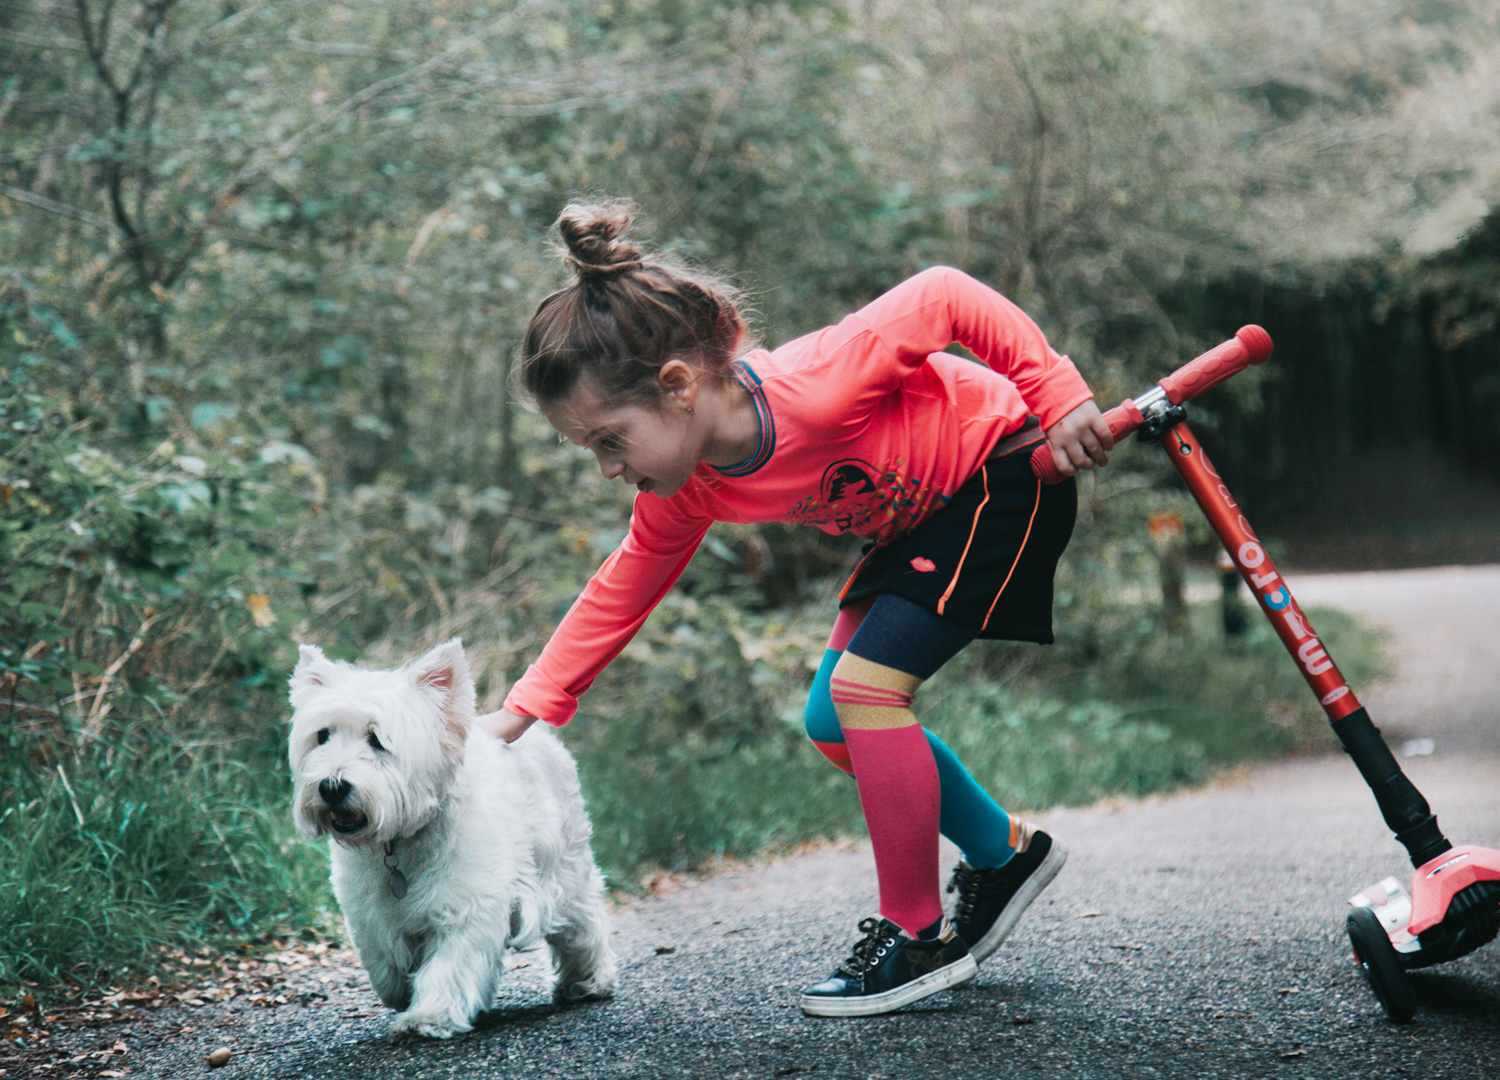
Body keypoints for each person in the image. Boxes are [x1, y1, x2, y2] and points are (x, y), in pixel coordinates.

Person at [483, 200, 1113, 1017]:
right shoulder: (690, 488)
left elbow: (947, 293)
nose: (607, 467)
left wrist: (1058, 395)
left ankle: (916, 934)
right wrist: (525, 707)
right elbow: (626, 581)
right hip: (919, 521)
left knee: (866, 692)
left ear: (678, 388)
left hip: (1000, 468)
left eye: (610, 439)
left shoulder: (816, 383)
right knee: (829, 718)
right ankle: (1004, 855)